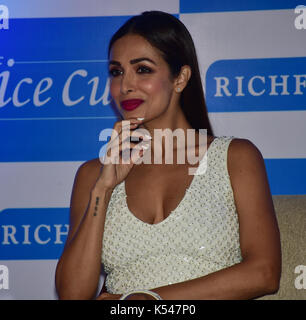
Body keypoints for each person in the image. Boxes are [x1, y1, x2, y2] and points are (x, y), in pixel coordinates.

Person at [55, 11, 281, 300]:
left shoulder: (235, 158)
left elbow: (265, 273)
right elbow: (73, 295)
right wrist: (103, 189)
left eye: (143, 69)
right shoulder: (93, 175)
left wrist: (152, 299)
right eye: (116, 71)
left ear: (180, 78)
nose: (125, 86)